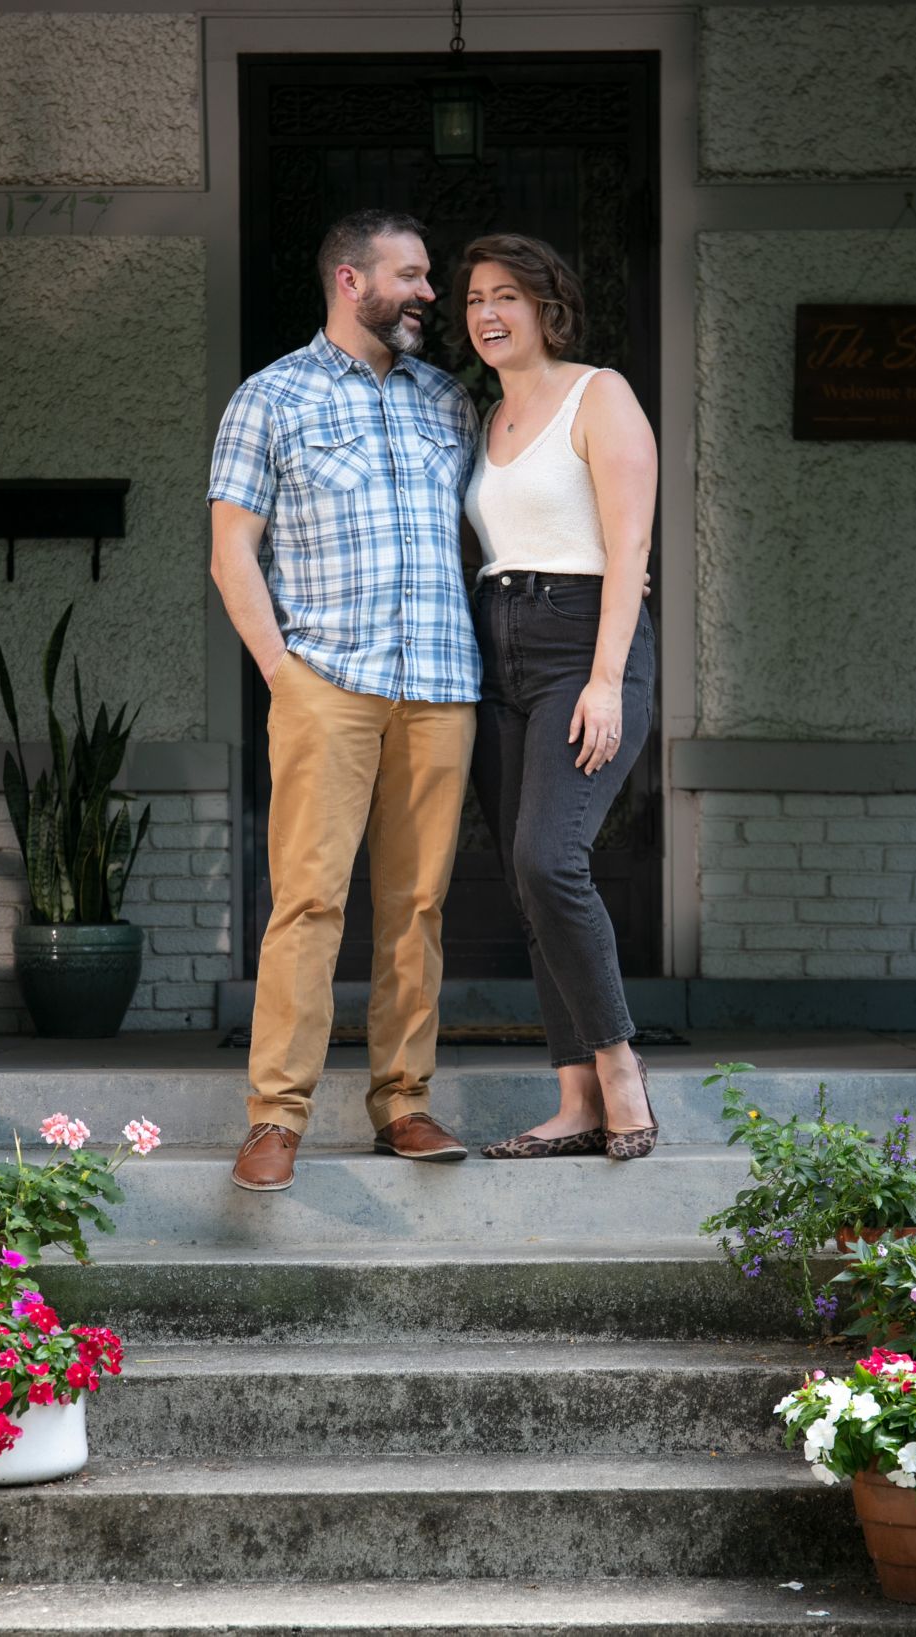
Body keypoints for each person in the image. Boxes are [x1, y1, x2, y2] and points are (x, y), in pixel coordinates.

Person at [207, 209, 480, 1192]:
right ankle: (276, 1117)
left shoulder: (448, 400)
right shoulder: (270, 398)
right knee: (310, 901)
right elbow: (231, 546)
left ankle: (403, 1103)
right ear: (352, 282)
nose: (430, 293)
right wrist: (283, 672)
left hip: (442, 684)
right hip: (326, 679)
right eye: (413, 273)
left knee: (418, 906)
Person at [455, 232, 659, 1160]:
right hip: (499, 645)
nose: (486, 313)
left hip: (583, 639)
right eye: (472, 300)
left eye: (505, 295)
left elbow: (630, 551)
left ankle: (619, 1068)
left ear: (548, 307)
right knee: (526, 884)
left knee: (550, 858)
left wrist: (608, 679)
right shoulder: (480, 418)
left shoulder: (599, 393)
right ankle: (575, 1098)